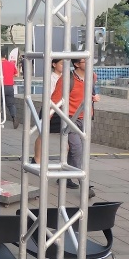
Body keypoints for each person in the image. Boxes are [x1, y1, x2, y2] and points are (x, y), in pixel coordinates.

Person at [50, 58, 100, 190]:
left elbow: (90, 93)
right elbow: (54, 100)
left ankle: (64, 177)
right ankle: (84, 185)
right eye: (85, 61)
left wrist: (94, 97)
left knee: (79, 151)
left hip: (86, 118)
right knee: (77, 150)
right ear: (77, 64)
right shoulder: (67, 79)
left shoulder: (92, 77)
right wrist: (46, 118)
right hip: (70, 119)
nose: (89, 64)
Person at [32, 58, 63, 165]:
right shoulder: (50, 78)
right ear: (54, 64)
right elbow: (49, 96)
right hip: (49, 109)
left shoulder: (65, 78)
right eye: (61, 64)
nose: (63, 66)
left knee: (67, 136)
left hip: (62, 110)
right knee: (43, 135)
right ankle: (37, 159)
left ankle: (65, 162)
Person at [1, 54, 19, 128]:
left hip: (1, 86)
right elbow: (17, 74)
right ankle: (14, 118)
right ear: (5, 56)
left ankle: (0, 120)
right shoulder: (11, 64)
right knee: (11, 104)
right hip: (10, 86)